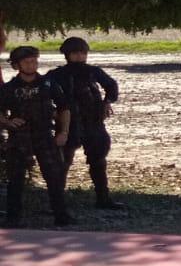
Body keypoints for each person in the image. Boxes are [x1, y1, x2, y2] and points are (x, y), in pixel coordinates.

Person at [47, 36, 123, 210]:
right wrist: (53, 113)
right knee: (63, 162)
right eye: (76, 53)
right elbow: (43, 95)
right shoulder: (56, 75)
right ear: (67, 55)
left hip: (93, 123)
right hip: (68, 124)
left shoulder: (93, 72)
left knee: (98, 161)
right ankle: (57, 203)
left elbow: (111, 86)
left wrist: (107, 102)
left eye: (83, 53)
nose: (80, 57)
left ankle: (103, 198)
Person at [0, 45, 73, 227]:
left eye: (34, 61)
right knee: (15, 180)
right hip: (19, 138)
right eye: (27, 62)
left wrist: (63, 132)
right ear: (17, 65)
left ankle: (61, 215)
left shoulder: (48, 84)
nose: (32, 65)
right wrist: (7, 122)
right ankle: (13, 218)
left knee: (54, 177)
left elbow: (64, 109)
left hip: (45, 136)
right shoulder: (9, 88)